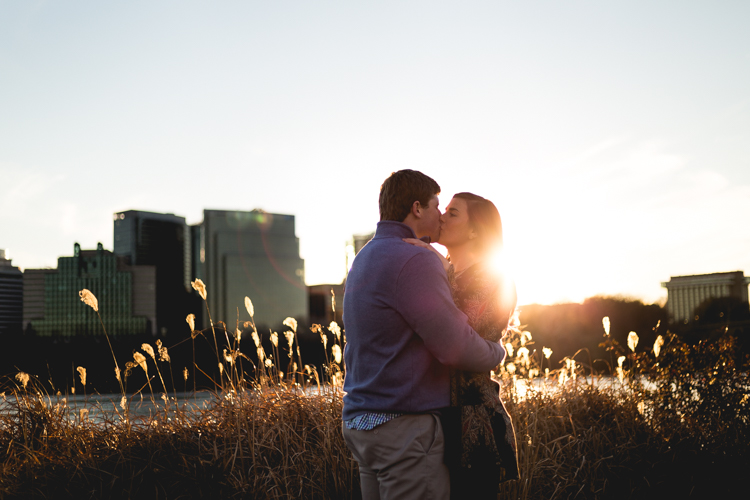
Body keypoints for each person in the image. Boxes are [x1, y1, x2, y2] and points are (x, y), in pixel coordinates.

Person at [342, 171, 507, 500]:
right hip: (403, 430)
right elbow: (455, 346)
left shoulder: (365, 256)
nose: (440, 215)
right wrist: (496, 353)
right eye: (436, 206)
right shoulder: (415, 258)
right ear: (417, 208)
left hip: (362, 425)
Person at [404, 192, 519, 499]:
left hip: (474, 424)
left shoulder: (495, 279)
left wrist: (439, 263)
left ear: (474, 230)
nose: (441, 216)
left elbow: (459, 334)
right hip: (433, 422)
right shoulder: (440, 270)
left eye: (453, 213)